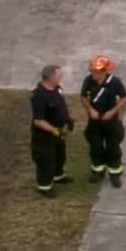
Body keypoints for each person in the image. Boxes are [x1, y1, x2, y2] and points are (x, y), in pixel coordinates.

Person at [80, 55, 126, 188]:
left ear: (103, 71)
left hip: (111, 122)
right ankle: (98, 171)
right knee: (95, 146)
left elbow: (124, 97)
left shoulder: (115, 82)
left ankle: (115, 174)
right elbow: (83, 97)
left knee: (113, 147)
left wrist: (112, 112)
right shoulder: (88, 81)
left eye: (95, 71)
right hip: (95, 121)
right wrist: (90, 110)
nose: (92, 73)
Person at [29, 65, 74, 198]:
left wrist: (68, 119)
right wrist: (54, 130)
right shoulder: (39, 96)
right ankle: (44, 186)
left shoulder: (57, 89)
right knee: (46, 160)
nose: (61, 78)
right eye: (59, 76)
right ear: (51, 78)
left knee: (60, 155)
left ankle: (58, 175)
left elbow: (60, 106)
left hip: (57, 132)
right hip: (44, 136)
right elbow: (38, 121)